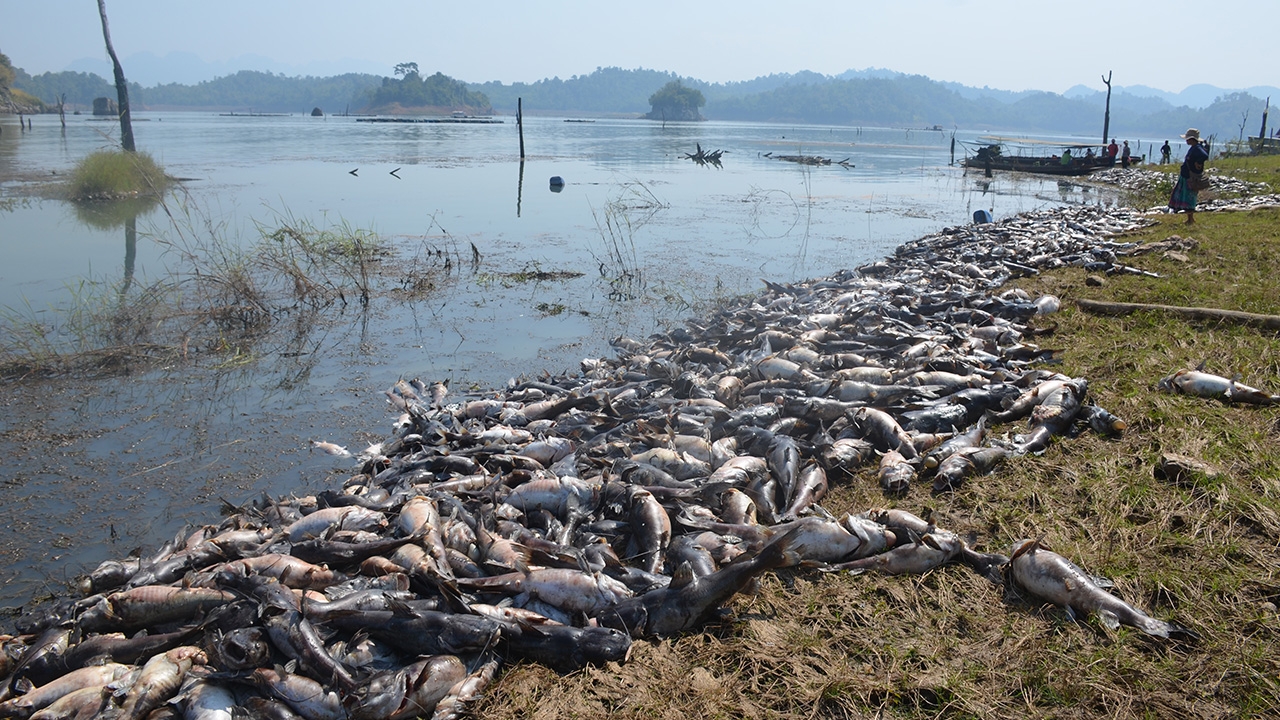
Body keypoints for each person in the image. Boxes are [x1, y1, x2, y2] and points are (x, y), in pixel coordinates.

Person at [1169, 128, 1210, 225]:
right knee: (1186, 195)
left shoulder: (1198, 148)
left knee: (1190, 196)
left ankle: (1190, 219)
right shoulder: (1194, 148)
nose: (1186, 141)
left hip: (1190, 177)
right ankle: (1189, 218)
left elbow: (1204, 156)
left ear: (1192, 139)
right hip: (1186, 175)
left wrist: (1198, 163)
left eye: (1188, 139)